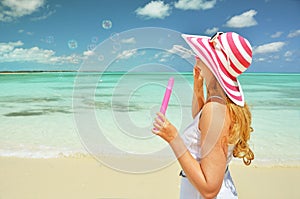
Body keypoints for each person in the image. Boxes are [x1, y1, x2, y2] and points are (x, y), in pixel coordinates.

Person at [152, 32, 254, 198]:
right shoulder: (219, 101)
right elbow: (202, 126)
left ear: (213, 64)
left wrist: (173, 138)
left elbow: (210, 189)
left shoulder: (215, 109)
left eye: (203, 53)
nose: (197, 55)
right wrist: (198, 87)